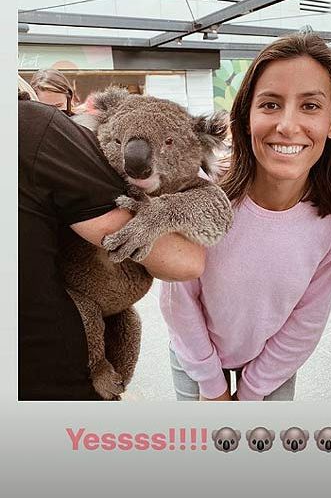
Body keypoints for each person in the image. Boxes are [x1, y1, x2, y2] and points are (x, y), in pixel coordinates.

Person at [159, 33, 331, 401]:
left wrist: (252, 391)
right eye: (270, 104)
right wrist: (212, 387)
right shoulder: (203, 191)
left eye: (310, 106)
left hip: (273, 364)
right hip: (194, 354)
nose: (288, 125)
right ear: (246, 117)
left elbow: (309, 316)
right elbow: (179, 299)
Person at [19, 95, 205, 400]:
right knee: (90, 314)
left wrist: (160, 212)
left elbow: (197, 246)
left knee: (128, 325)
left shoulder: (33, 127)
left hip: (45, 361)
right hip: (55, 357)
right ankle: (99, 369)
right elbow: (186, 262)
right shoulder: (36, 128)